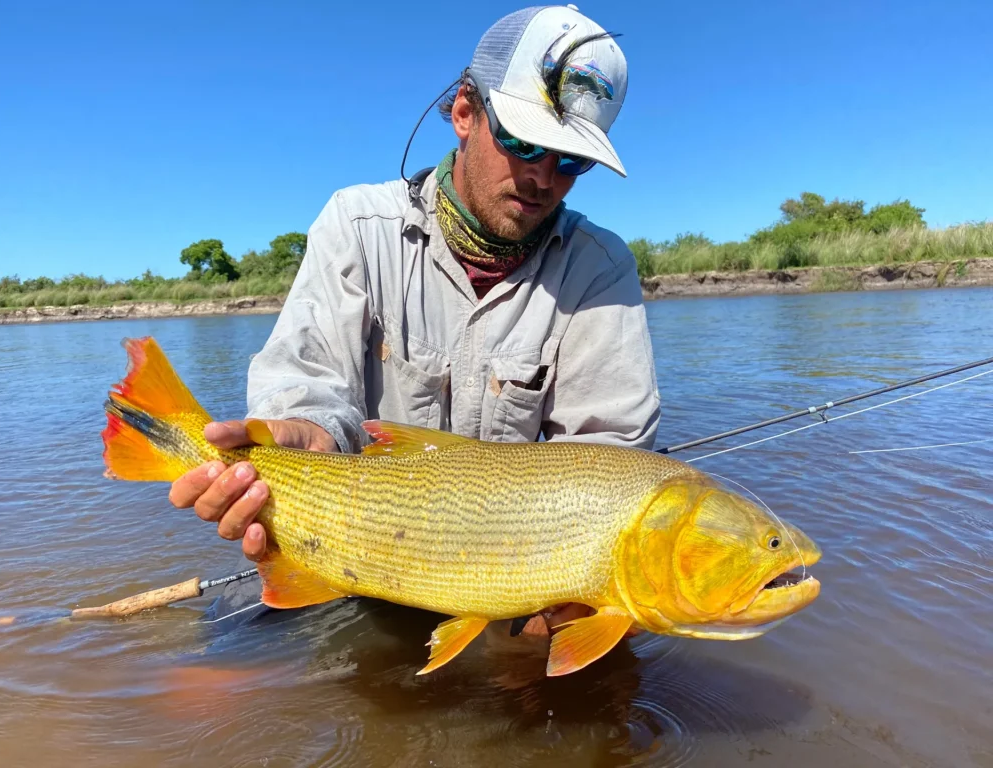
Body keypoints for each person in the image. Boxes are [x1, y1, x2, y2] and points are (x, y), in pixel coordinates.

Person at [169, 5, 661, 635]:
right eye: (525, 141)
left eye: (570, 160)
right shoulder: (355, 224)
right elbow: (308, 384)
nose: (542, 176)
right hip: (354, 547)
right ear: (464, 112)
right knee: (205, 687)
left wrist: (572, 601)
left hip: (516, 575)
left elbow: (610, 459)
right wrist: (305, 430)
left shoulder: (600, 269)